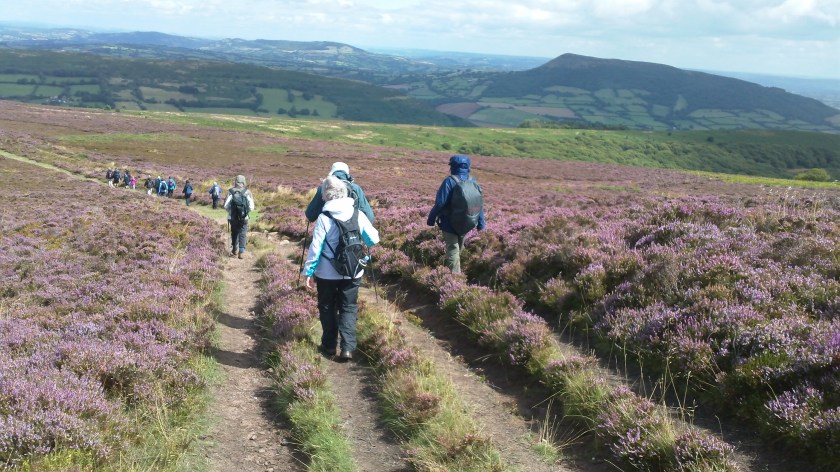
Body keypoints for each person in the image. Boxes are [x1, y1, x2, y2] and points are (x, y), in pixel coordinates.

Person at [302, 176, 379, 361]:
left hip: (327, 273)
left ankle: (329, 346)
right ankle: (347, 348)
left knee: (327, 307)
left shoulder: (323, 217)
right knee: (349, 307)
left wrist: (309, 272)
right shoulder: (357, 214)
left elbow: (316, 248)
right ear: (344, 192)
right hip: (353, 271)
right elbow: (373, 239)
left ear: (325, 195)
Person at [426, 154, 485, 274]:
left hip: (449, 223)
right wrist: (481, 224)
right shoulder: (473, 181)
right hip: (467, 222)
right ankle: (453, 270)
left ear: (452, 166)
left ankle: (454, 279)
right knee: (458, 249)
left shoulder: (449, 181)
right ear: (467, 167)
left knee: (453, 249)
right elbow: (478, 204)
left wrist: (431, 219)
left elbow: (440, 203)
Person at [305, 162, 374, 224]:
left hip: (328, 231)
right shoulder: (355, 188)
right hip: (352, 232)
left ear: (332, 173)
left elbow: (310, 215)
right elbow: (369, 217)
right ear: (347, 174)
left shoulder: (324, 187)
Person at [223, 175, 255, 259]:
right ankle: (241, 252)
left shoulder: (230, 191)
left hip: (232, 217)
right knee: (243, 233)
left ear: (235, 181)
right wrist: (245, 212)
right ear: (244, 181)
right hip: (244, 217)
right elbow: (252, 207)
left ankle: (234, 250)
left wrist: (231, 212)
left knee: (234, 232)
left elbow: (226, 206)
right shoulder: (247, 191)